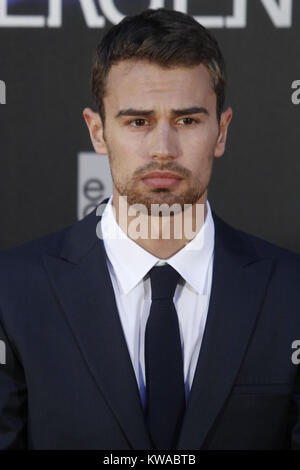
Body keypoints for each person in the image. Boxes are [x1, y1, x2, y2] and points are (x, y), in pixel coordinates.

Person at [0, 7, 300, 451]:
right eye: (138, 121)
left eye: (187, 120)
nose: (163, 149)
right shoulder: (11, 292)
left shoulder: (291, 292)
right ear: (98, 132)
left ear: (222, 131)